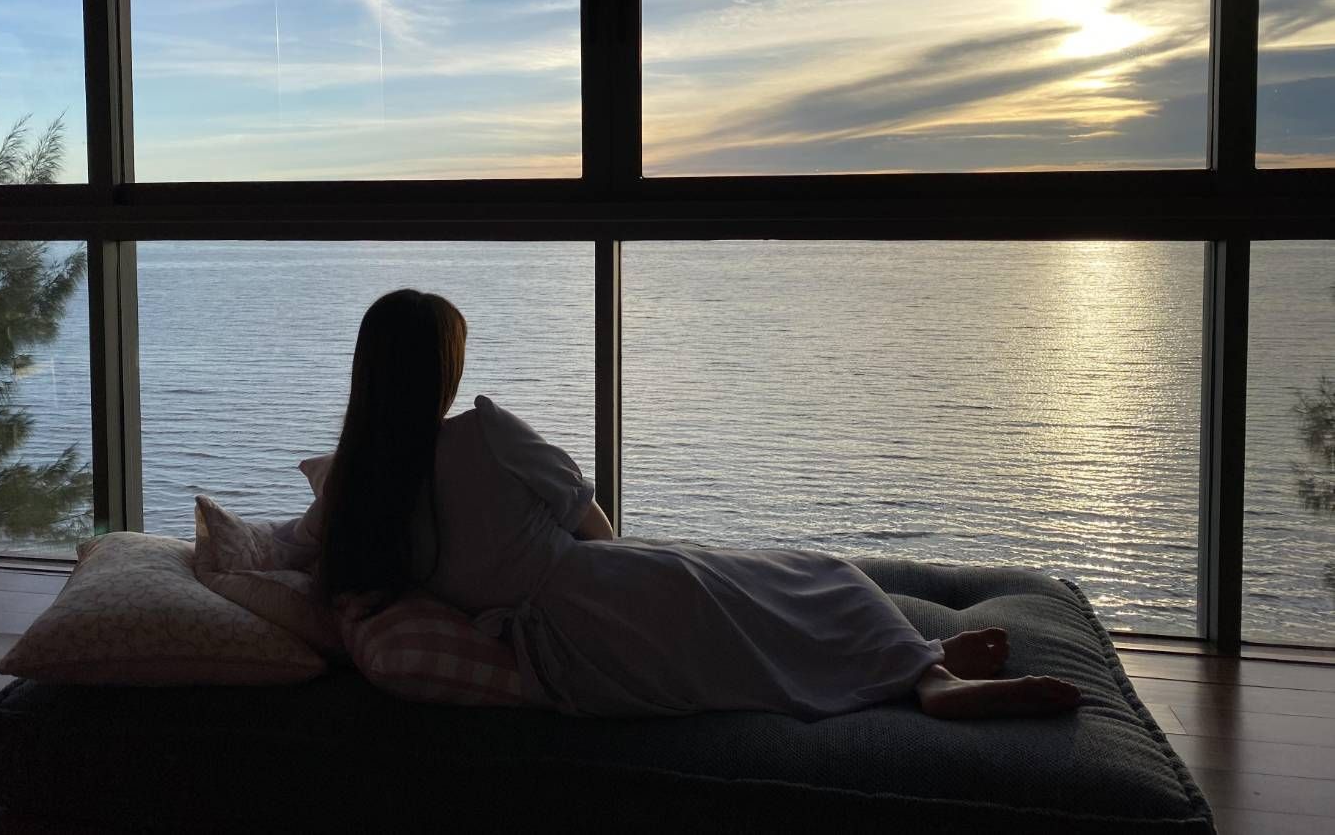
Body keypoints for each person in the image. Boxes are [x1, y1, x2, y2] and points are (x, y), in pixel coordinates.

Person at [318, 288, 1081, 721]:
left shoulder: (352, 492)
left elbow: (299, 552)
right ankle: (930, 678)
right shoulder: (483, 433)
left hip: (554, 663)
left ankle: (920, 663)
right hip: (591, 592)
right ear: (442, 371)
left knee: (748, 634)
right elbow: (595, 525)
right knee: (812, 576)